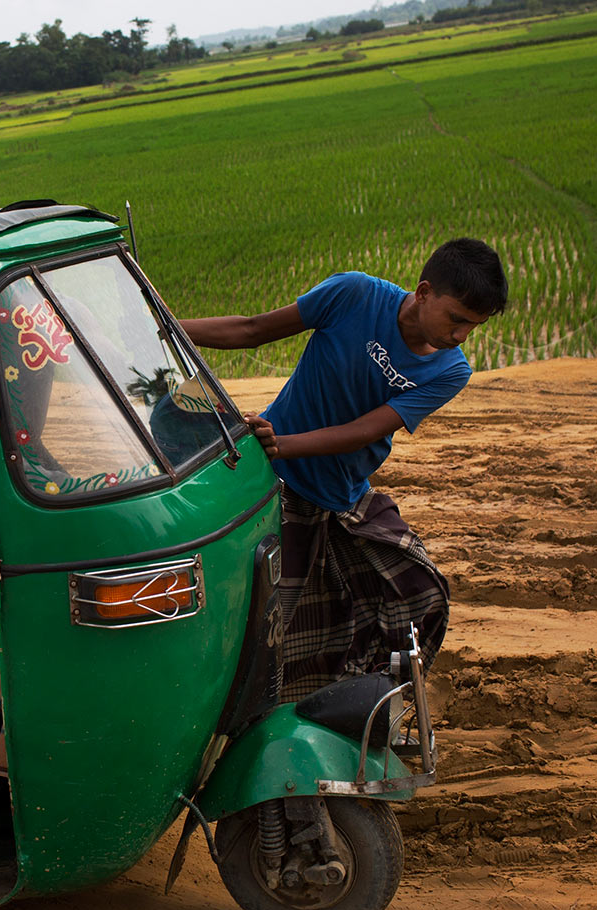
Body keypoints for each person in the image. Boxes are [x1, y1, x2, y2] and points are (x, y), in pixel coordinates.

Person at [180, 237, 508, 697]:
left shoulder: (451, 371)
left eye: (472, 328)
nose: (459, 337)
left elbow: (363, 431)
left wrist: (281, 444)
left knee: (421, 591)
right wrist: (164, 327)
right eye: (456, 319)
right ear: (424, 291)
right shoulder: (355, 295)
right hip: (277, 483)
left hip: (342, 497)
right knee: (261, 626)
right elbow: (252, 329)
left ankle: (370, 704)